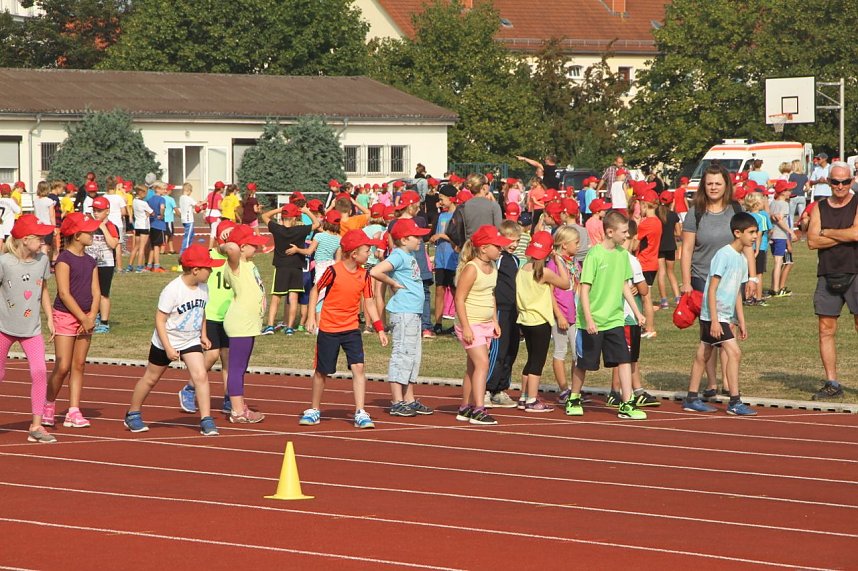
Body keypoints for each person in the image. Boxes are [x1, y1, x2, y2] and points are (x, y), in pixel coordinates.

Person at [124, 244, 225, 435]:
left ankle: (206, 419)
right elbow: (160, 320)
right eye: (208, 268)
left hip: (190, 340)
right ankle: (132, 413)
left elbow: (201, 311)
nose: (212, 271)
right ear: (195, 270)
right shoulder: (172, 290)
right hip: (166, 339)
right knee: (151, 379)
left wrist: (203, 334)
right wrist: (168, 348)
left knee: (201, 375)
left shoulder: (203, 287)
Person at [681, 164, 757, 399]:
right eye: (709, 183)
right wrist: (685, 282)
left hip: (731, 278)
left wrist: (752, 277)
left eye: (718, 183)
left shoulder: (735, 209)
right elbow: (687, 249)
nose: (713, 187)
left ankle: (729, 381)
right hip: (703, 276)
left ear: (726, 186)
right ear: (704, 185)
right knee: (711, 332)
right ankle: (711, 383)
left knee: (729, 329)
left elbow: (747, 245)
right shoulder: (696, 212)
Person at [300, 230, 389, 429]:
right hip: (329, 329)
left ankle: (360, 411)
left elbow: (370, 302)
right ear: (354, 254)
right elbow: (315, 290)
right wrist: (312, 317)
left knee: (358, 367)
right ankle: (314, 409)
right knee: (322, 371)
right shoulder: (333, 271)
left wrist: (380, 328)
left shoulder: (364, 275)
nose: (370, 253)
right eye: (367, 250)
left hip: (351, 329)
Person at [565, 211, 647, 420]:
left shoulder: (622, 255)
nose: (627, 236)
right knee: (584, 363)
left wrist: (637, 312)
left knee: (624, 359)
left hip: (615, 319)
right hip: (592, 321)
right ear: (610, 232)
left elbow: (624, 285)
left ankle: (627, 402)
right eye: (623, 232)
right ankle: (574, 397)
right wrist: (589, 319)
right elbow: (584, 289)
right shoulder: (595, 255)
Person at [0, 215, 56, 442]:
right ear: (25, 239)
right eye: (39, 237)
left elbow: (43, 290)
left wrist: (50, 318)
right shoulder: (4, 262)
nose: (43, 241)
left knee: (40, 371)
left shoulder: (43, 260)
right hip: (3, 327)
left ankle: (36, 426)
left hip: (31, 329)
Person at [370, 219, 434, 417]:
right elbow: (375, 270)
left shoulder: (410, 254)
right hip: (404, 312)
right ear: (404, 239)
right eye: (416, 236)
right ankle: (397, 400)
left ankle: (409, 398)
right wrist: (392, 282)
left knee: (413, 356)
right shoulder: (398, 255)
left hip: (414, 312)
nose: (420, 240)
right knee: (402, 354)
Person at [43, 212, 101, 429]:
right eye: (89, 230)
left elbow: (97, 291)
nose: (93, 233)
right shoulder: (64, 260)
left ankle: (73, 410)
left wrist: (92, 316)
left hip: (86, 318)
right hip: (66, 316)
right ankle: (48, 404)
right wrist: (82, 317)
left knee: (79, 364)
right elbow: (64, 293)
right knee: (63, 365)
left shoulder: (91, 260)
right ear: (77, 235)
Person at [806, 161, 858, 401]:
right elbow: (812, 241)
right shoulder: (819, 207)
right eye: (835, 181)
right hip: (827, 273)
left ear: (852, 181)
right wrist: (844, 234)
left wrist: (827, 232)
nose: (840, 186)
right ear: (828, 181)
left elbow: (857, 233)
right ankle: (832, 382)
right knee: (826, 330)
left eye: (845, 182)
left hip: (855, 271)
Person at [454, 225, 513, 426]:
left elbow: (490, 294)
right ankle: (479, 408)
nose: (501, 249)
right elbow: (459, 299)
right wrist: (466, 327)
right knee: (483, 364)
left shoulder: (493, 267)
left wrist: (495, 321)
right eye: (497, 246)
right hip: (470, 323)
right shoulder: (472, 268)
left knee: (473, 367)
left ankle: (465, 407)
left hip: (486, 323)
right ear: (484, 248)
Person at [178, 221, 236, 416]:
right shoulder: (208, 258)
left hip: (229, 315)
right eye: (226, 239)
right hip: (210, 314)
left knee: (228, 358)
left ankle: (229, 397)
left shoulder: (236, 261)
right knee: (211, 355)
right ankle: (190, 387)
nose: (230, 245)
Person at [604, 219, 660, 408]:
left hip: (618, 313)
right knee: (625, 356)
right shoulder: (631, 260)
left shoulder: (611, 256)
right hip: (627, 314)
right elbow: (644, 290)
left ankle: (634, 390)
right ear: (633, 237)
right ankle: (618, 391)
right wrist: (638, 285)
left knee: (629, 355)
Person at [516, 231, 570, 413]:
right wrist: (558, 261)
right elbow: (566, 283)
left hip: (524, 320)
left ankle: (524, 396)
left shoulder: (522, 271)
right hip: (540, 321)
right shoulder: (544, 272)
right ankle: (531, 399)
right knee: (537, 362)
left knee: (530, 359)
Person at [220, 225, 269, 423]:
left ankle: (238, 405)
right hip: (240, 322)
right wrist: (226, 242)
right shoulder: (235, 265)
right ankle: (237, 411)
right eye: (252, 245)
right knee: (237, 368)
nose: (256, 248)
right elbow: (230, 249)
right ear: (241, 247)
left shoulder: (248, 263)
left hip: (249, 323)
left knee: (241, 367)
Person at [261, 203, 319, 336]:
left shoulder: (277, 229)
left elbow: (264, 215)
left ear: (282, 217)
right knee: (293, 298)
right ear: (294, 219)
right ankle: (290, 327)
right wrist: (306, 212)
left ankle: (270, 326)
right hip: (297, 267)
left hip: (281, 267)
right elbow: (316, 224)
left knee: (276, 298)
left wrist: (280, 209)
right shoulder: (300, 230)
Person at [485, 220, 521, 408]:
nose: (514, 244)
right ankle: (486, 388)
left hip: (514, 310)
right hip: (499, 309)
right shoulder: (496, 259)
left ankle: (500, 388)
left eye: (517, 240)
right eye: (511, 240)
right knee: (498, 349)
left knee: (510, 350)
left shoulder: (515, 260)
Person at [547, 225, 580, 404]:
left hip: (575, 314)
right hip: (561, 314)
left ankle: (575, 390)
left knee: (578, 354)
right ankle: (563, 389)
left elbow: (578, 284)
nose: (579, 246)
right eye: (576, 242)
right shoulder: (554, 264)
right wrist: (558, 314)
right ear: (565, 245)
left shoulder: (573, 262)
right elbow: (549, 292)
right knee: (561, 351)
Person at [85, 197, 120, 334]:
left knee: (103, 293)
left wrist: (103, 228)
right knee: (91, 292)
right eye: (94, 210)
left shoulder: (111, 226)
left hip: (106, 264)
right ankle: (94, 315)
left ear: (107, 211)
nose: (96, 213)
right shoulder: (89, 225)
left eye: (99, 211)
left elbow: (113, 244)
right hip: (90, 263)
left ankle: (104, 322)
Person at [430, 185, 458, 334]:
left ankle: (457, 322)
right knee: (439, 289)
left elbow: (457, 239)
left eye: (442, 199)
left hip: (453, 260)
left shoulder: (458, 216)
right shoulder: (441, 216)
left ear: (451, 199)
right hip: (441, 259)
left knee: (455, 291)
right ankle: (438, 323)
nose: (440, 202)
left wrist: (441, 236)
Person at [769, 180, 798, 297]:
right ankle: (777, 289)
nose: (790, 192)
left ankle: (774, 286)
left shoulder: (773, 203)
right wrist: (791, 232)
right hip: (780, 236)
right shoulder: (784, 204)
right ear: (783, 192)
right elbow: (780, 220)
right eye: (788, 190)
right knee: (779, 262)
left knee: (778, 262)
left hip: (773, 236)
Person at [744, 191, 771, 306]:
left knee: (747, 273)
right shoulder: (762, 216)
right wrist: (757, 249)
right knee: (758, 274)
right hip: (759, 248)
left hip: (746, 247)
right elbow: (760, 233)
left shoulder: (746, 216)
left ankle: (748, 297)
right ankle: (758, 297)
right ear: (757, 203)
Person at [655, 191, 681, 308]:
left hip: (659, 246)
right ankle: (678, 299)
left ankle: (664, 301)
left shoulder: (656, 213)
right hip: (670, 245)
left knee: (661, 273)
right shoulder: (673, 215)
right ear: (672, 201)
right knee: (671, 272)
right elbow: (679, 232)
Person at [128, 184, 153, 273]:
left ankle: (130, 266)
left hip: (137, 225)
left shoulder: (135, 201)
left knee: (136, 247)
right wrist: (148, 214)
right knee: (142, 247)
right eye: (145, 193)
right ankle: (139, 267)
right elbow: (152, 212)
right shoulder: (144, 203)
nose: (146, 195)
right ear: (141, 192)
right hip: (144, 226)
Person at [32, 181, 57, 258]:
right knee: (45, 248)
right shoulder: (49, 201)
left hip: (38, 226)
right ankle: (45, 266)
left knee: (38, 247)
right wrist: (54, 227)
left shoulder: (35, 201)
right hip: (47, 227)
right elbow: (52, 216)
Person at [787, 159, 809, 227]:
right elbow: (807, 187)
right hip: (801, 196)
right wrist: (803, 191)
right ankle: (803, 230)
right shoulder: (804, 175)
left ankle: (791, 231)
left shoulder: (792, 175)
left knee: (791, 215)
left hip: (793, 196)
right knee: (802, 216)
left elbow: (790, 186)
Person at [205, 181, 225, 248]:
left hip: (209, 215)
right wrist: (224, 209)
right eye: (223, 188)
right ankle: (210, 249)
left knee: (215, 232)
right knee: (214, 233)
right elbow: (219, 206)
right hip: (215, 216)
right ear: (221, 189)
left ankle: (217, 247)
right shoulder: (219, 196)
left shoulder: (210, 194)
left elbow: (204, 201)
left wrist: (198, 205)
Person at [178, 183, 197, 255]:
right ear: (189, 190)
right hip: (189, 220)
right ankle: (183, 252)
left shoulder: (181, 198)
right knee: (188, 236)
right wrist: (204, 202)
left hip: (184, 219)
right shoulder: (188, 198)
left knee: (191, 235)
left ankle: (189, 250)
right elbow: (196, 205)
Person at [162, 185, 179, 255]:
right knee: (168, 235)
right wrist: (181, 216)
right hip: (168, 220)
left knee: (168, 234)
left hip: (162, 220)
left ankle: (171, 249)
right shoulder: (171, 199)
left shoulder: (161, 198)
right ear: (168, 190)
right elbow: (176, 209)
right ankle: (162, 250)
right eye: (171, 190)